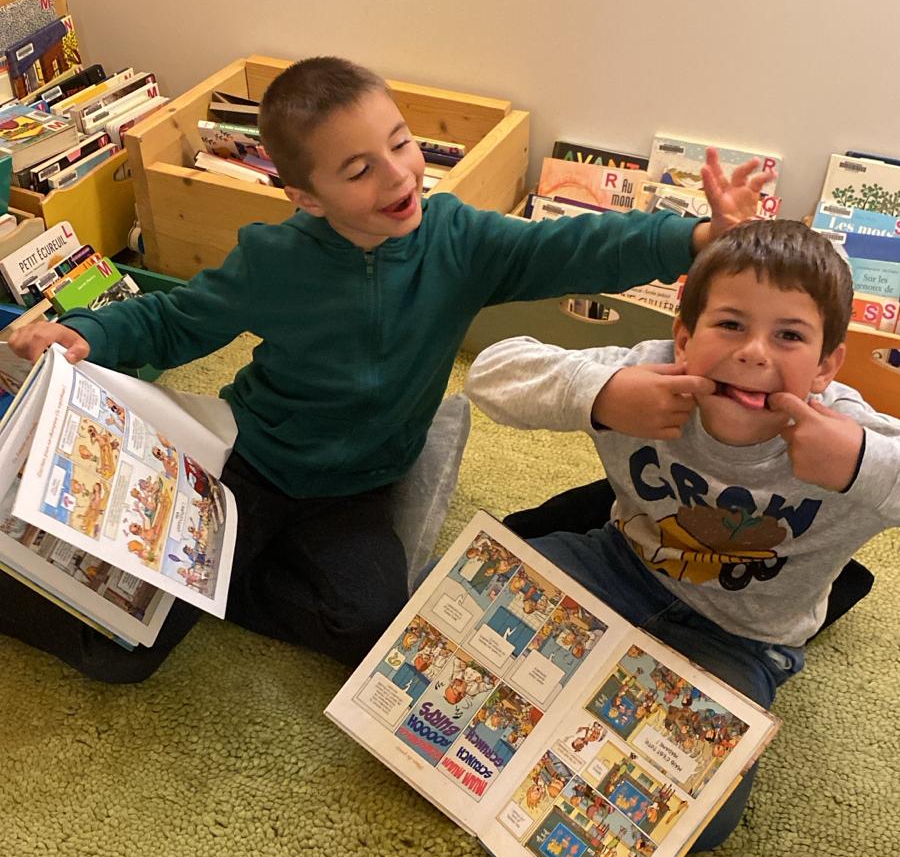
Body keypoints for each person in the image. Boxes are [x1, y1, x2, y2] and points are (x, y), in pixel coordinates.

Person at [4, 58, 765, 683]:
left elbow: (570, 249)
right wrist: (89, 331)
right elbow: (176, 320)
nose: (398, 176)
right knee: (126, 646)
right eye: (359, 170)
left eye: (402, 145)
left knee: (373, 628)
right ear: (306, 197)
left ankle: (229, 580)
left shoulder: (458, 240)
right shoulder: (274, 259)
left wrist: (693, 238)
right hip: (253, 466)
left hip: (362, 484)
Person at [466, 218, 900, 849]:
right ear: (684, 337)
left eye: (789, 335)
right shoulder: (650, 372)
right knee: (443, 607)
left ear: (827, 365)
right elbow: (489, 372)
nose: (755, 353)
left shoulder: (851, 434)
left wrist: (863, 463)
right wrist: (602, 393)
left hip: (742, 638)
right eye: (731, 324)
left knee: (698, 819)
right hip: (615, 564)